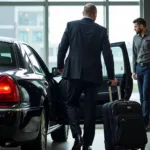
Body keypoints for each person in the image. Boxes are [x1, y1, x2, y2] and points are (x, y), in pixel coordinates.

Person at [57, 3, 118, 150]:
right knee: (90, 109)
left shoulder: (71, 26)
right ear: (95, 15)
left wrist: (60, 66)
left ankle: (76, 135)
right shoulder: (101, 30)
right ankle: (87, 143)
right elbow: (107, 54)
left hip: (73, 73)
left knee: (71, 104)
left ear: (82, 12)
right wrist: (112, 76)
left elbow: (62, 47)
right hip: (93, 75)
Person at [132, 17, 150, 130]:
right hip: (139, 68)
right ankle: (145, 119)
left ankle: (145, 121)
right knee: (142, 96)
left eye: (135, 26)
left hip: (149, 68)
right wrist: (134, 70)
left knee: (146, 94)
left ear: (141, 26)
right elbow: (134, 54)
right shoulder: (135, 38)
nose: (134, 29)